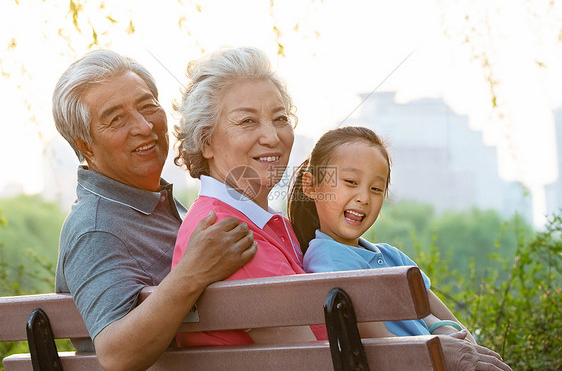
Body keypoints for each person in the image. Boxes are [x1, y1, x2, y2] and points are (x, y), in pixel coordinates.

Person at [53, 49, 257, 371]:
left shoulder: (155, 201)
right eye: (116, 119)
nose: (144, 126)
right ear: (85, 145)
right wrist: (192, 272)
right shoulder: (95, 229)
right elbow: (117, 354)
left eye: (148, 106)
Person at [288, 126, 512, 370]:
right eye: (351, 182)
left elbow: (451, 322)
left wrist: (452, 336)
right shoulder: (328, 260)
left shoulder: (390, 255)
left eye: (376, 188)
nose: (364, 197)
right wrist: (441, 342)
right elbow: (382, 344)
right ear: (310, 186)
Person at [172, 47, 327, 346]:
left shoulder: (246, 222)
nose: (272, 137)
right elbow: (311, 357)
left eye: (280, 118)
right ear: (206, 142)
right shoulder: (229, 236)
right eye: (247, 122)